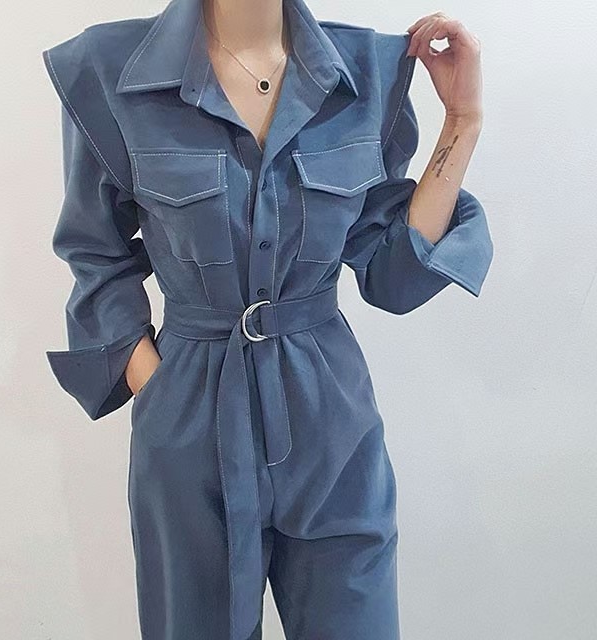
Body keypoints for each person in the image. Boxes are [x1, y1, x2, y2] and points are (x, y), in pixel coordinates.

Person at [42, 0, 493, 638]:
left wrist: (463, 123)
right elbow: (95, 253)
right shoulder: (109, 70)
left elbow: (394, 279)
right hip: (192, 420)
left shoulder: (366, 73)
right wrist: (159, 387)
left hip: (332, 424)